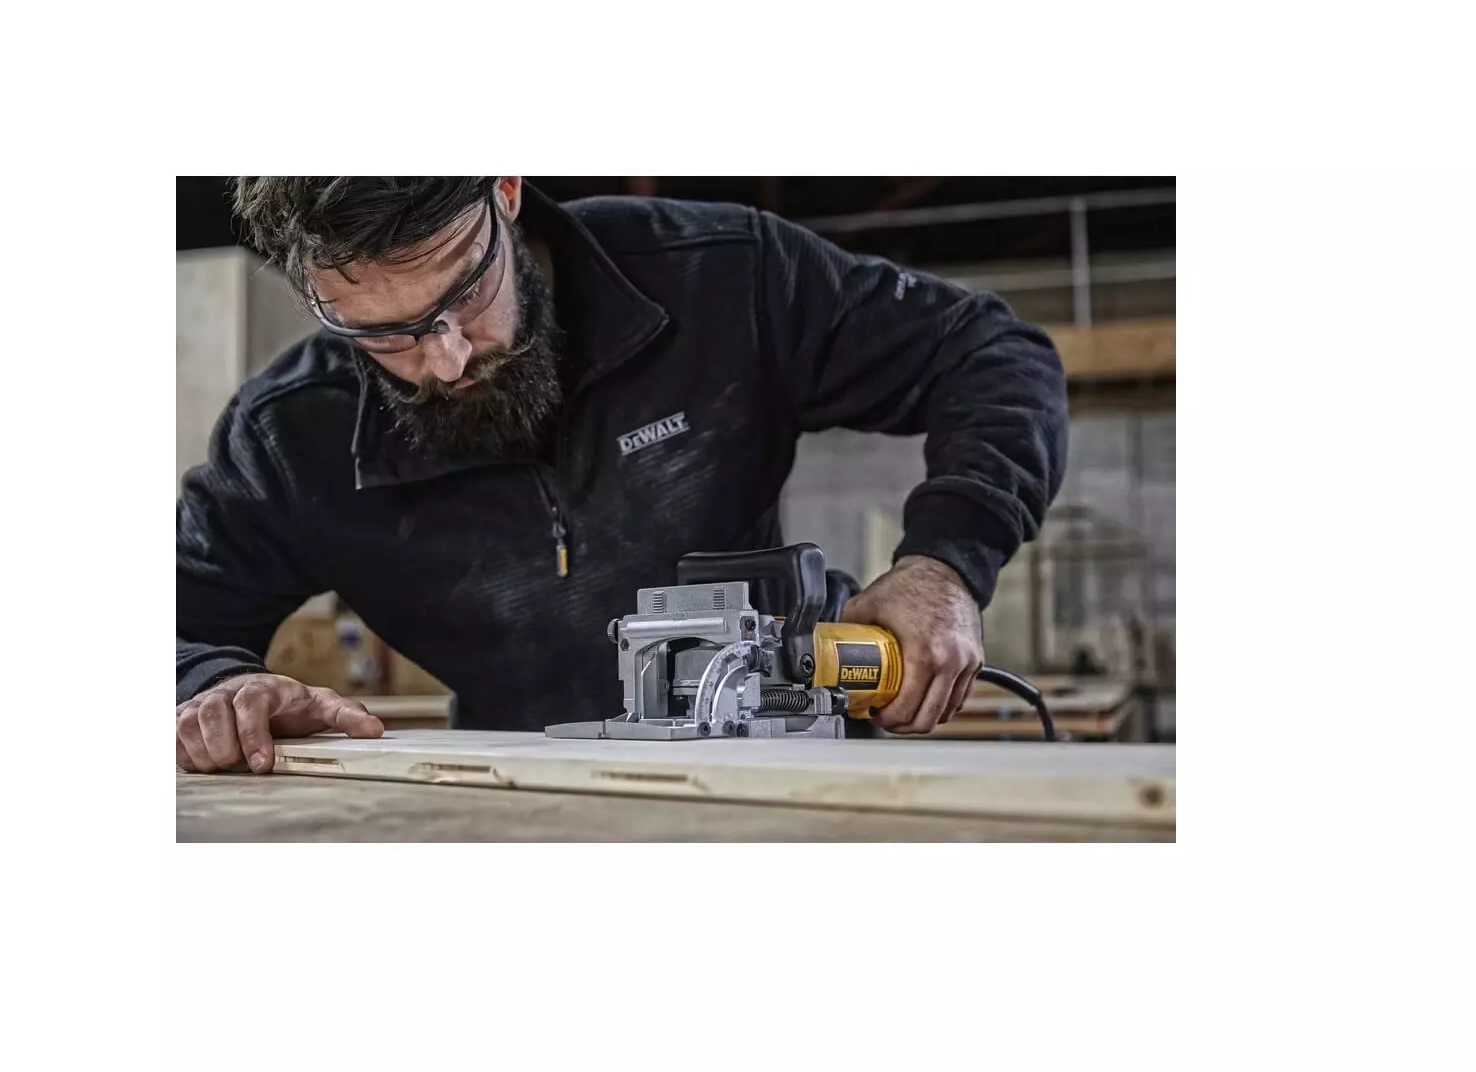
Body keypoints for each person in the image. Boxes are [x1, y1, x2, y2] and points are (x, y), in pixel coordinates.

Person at [176, 177, 1068, 773]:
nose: (446, 359)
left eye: (462, 294)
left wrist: (946, 563)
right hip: (525, 800)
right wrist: (216, 686)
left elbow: (990, 354)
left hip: (790, 769)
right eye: (384, 334)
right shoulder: (291, 437)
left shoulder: (718, 279)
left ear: (504, 191)